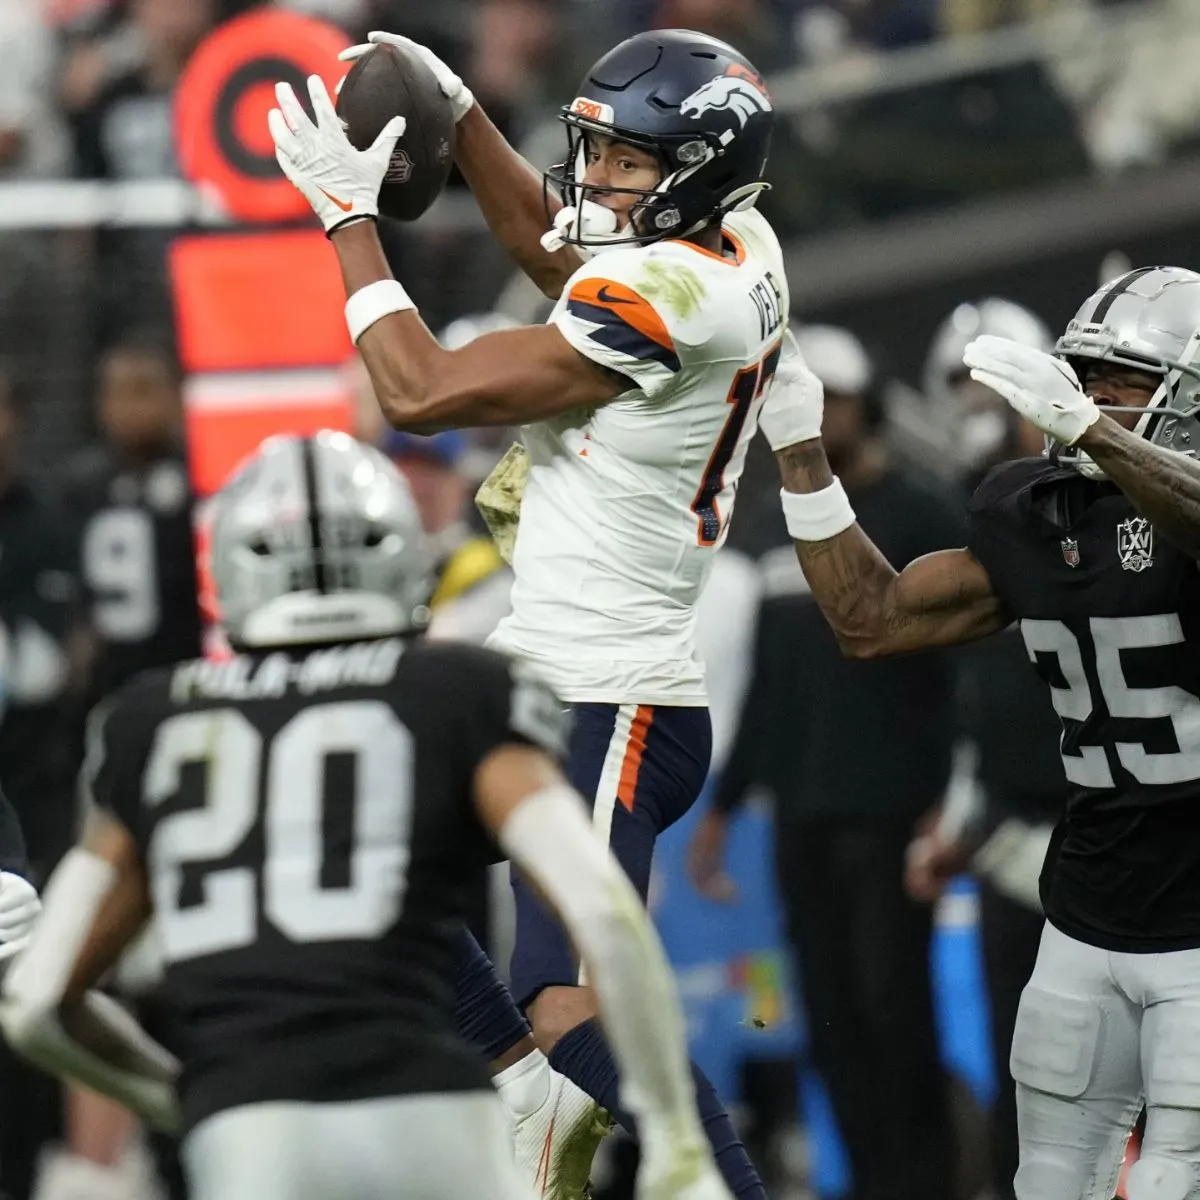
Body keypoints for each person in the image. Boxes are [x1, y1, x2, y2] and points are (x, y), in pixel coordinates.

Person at [268, 24, 785, 1197]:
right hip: (549, 675)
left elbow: (420, 390)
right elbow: (550, 249)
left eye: (625, 166)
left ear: (697, 170)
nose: (596, 183)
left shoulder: (682, 299)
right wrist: (458, 112)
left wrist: (348, 222)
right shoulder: (730, 236)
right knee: (348, 826)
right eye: (592, 152)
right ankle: (526, 1096)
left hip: (614, 694)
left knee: (567, 1003)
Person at [0, 431, 736, 1200]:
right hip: (433, 1105)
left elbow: (38, 1001)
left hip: (253, 1123)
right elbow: (602, 912)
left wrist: (182, 1098)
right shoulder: (458, 690)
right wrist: (675, 1137)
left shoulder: (152, 720)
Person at [757, 264, 1200, 1200]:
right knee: (1045, 1180)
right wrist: (802, 455)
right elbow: (871, 620)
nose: (1087, 401)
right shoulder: (1041, 513)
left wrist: (1088, 432)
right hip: (1089, 906)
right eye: (1081, 380)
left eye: (1120, 385)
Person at [690, 324, 962, 1200]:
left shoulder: (922, 515)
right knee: (832, 1013)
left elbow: (961, 673)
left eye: (834, 398)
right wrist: (725, 807)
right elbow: (771, 687)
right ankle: (873, 1186)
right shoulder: (775, 529)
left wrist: (947, 796)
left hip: (892, 809)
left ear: (867, 406)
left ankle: (929, 1184)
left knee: (895, 1008)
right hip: (800, 813)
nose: (819, 415)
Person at [906, 297, 1066, 1200]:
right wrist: (965, 822)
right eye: (961, 392)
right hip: (1017, 830)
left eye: (990, 391)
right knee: (1025, 1058)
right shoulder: (969, 524)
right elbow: (979, 710)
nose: (974, 412)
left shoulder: (1091, 506)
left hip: (1111, 817)